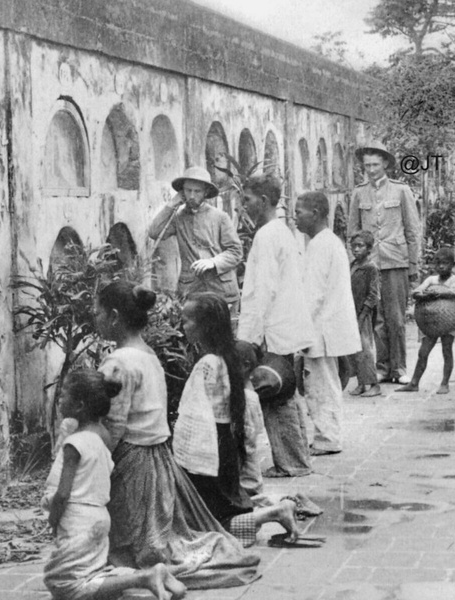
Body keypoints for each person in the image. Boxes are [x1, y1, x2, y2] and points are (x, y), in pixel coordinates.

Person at [93, 280, 259, 588]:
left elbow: (114, 423)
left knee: (133, 536)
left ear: (114, 316)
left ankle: (146, 570)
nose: (96, 318)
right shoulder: (148, 355)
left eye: (98, 312)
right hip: (156, 457)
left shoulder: (118, 362)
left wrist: (98, 461)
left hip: (132, 458)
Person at [42, 369, 187, 600]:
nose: (59, 399)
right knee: (90, 571)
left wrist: (53, 518)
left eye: (64, 394)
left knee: (65, 583)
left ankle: (145, 577)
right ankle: (151, 575)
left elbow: (63, 494)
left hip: (77, 520)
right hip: (99, 516)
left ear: (79, 406)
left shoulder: (73, 444)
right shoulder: (103, 437)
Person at [174, 293, 300, 547]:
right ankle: (269, 513)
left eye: (187, 320)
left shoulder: (208, 364)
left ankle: (273, 513)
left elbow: (194, 416)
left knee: (207, 522)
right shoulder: (228, 358)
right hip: (225, 444)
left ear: (205, 326)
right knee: (219, 509)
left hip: (209, 446)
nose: (182, 326)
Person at [237, 172, 316, 477]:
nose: (243, 205)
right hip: (284, 324)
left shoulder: (268, 235)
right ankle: (298, 458)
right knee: (286, 391)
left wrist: (251, 337)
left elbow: (263, 290)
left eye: (247, 200)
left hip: (274, 327)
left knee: (276, 394)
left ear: (264, 200)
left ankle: (291, 463)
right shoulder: (281, 231)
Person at [294, 192, 361, 455]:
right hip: (326, 325)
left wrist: (301, 331)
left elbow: (313, 295)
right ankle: (327, 434)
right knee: (323, 382)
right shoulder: (326, 242)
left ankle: (328, 437)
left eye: (299, 212)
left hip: (321, 327)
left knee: (320, 384)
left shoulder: (321, 245)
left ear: (315, 214)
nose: (295, 217)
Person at [348, 141, 421, 385]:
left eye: (375, 165)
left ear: (386, 164)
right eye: (367, 165)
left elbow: (412, 230)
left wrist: (413, 265)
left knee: (396, 318)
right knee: (375, 317)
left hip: (395, 261)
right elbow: (353, 231)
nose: (371, 170)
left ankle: (399, 368)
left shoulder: (401, 190)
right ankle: (382, 367)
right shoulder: (359, 193)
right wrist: (355, 265)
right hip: (370, 264)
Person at [148, 166, 243, 311]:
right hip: (192, 290)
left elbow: (236, 252)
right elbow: (154, 232)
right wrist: (171, 204)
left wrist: (213, 262)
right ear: (182, 192)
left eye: (197, 191)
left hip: (221, 290)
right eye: (188, 190)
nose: (192, 196)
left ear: (206, 192)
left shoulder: (220, 217)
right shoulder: (178, 218)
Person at [397, 247, 455, 395]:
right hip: (430, 321)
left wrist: (439, 293)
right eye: (438, 263)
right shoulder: (431, 280)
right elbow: (416, 292)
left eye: (445, 263)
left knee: (447, 351)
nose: (441, 266)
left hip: (449, 320)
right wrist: (423, 296)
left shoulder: (454, 280)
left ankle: (445, 383)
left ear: (453, 265)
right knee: (423, 352)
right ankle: (414, 383)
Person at [347, 230, 381, 398]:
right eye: (353, 246)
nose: (356, 249)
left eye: (360, 246)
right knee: (355, 349)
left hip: (364, 313)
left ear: (369, 249)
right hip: (352, 311)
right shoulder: (353, 265)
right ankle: (361, 383)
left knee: (365, 349)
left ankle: (374, 384)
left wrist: (363, 315)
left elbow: (374, 295)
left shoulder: (371, 267)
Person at [234, 340, 269, 496]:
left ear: (245, 366)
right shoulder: (247, 394)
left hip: (247, 480)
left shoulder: (247, 398)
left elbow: (247, 441)